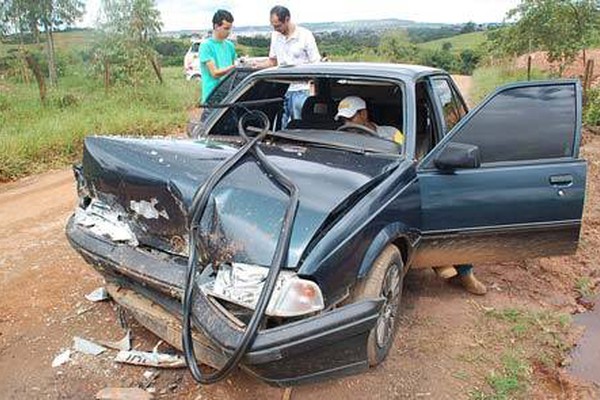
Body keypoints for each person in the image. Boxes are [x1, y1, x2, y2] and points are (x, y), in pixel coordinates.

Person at [253, 6, 321, 126]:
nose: (276, 29)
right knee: (280, 125)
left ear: (287, 19)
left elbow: (316, 64)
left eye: (278, 25)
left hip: (302, 89)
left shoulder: (305, 35)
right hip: (281, 89)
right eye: (273, 26)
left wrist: (314, 90)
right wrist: (257, 65)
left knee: (299, 124)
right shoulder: (275, 36)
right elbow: (273, 61)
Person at [199, 10, 237, 104]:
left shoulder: (230, 46)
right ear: (216, 26)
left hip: (229, 95)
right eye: (226, 28)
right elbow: (214, 73)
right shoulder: (206, 46)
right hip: (212, 95)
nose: (228, 32)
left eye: (230, 28)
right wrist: (234, 68)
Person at [334, 96, 404, 145]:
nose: (347, 123)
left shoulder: (393, 132)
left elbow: (409, 155)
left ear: (364, 114)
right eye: (343, 119)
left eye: (350, 118)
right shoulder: (341, 139)